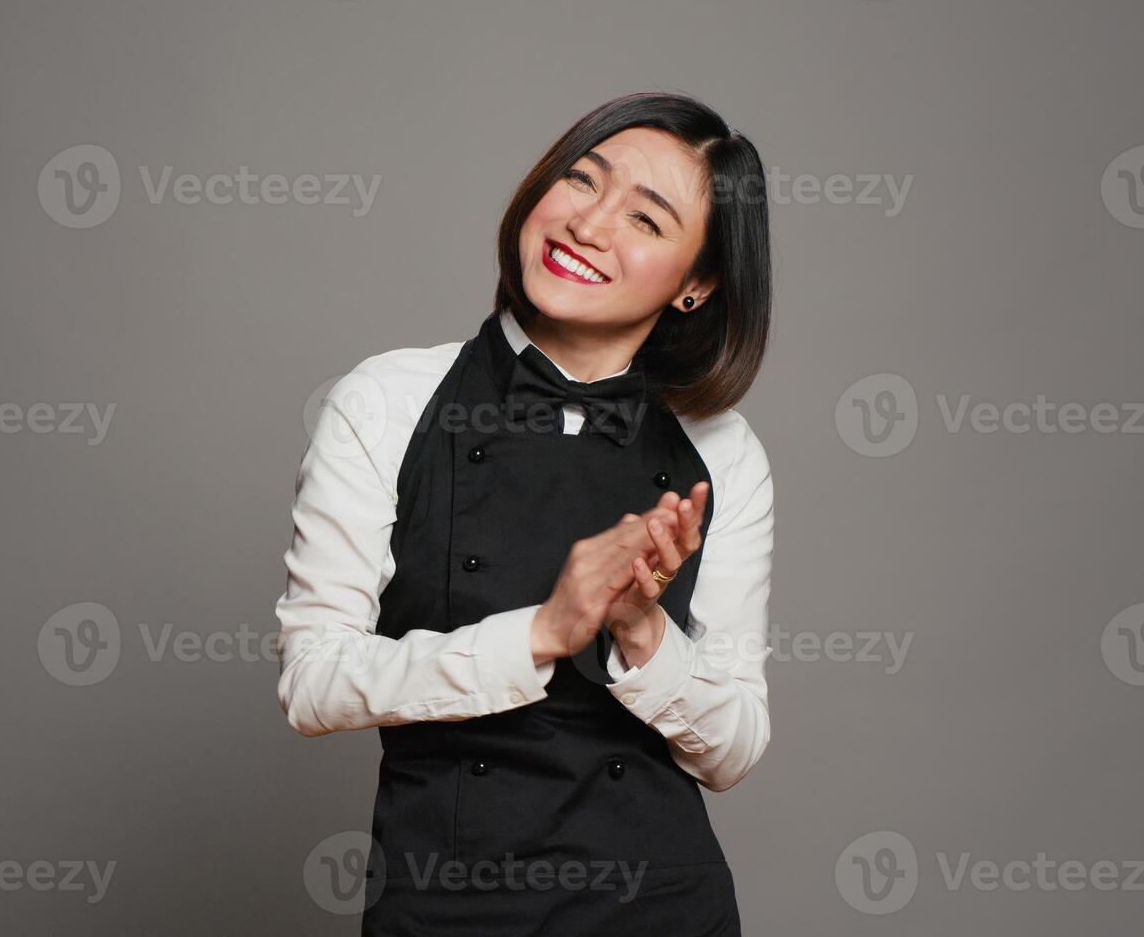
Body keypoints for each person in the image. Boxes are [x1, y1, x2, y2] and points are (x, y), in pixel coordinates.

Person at [274, 91, 775, 935]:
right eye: (582, 180)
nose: (588, 224)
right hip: (445, 904)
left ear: (696, 286)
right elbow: (312, 683)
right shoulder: (386, 400)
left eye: (645, 221)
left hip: (661, 907)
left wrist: (641, 629)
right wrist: (544, 630)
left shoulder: (722, 452)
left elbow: (732, 749)